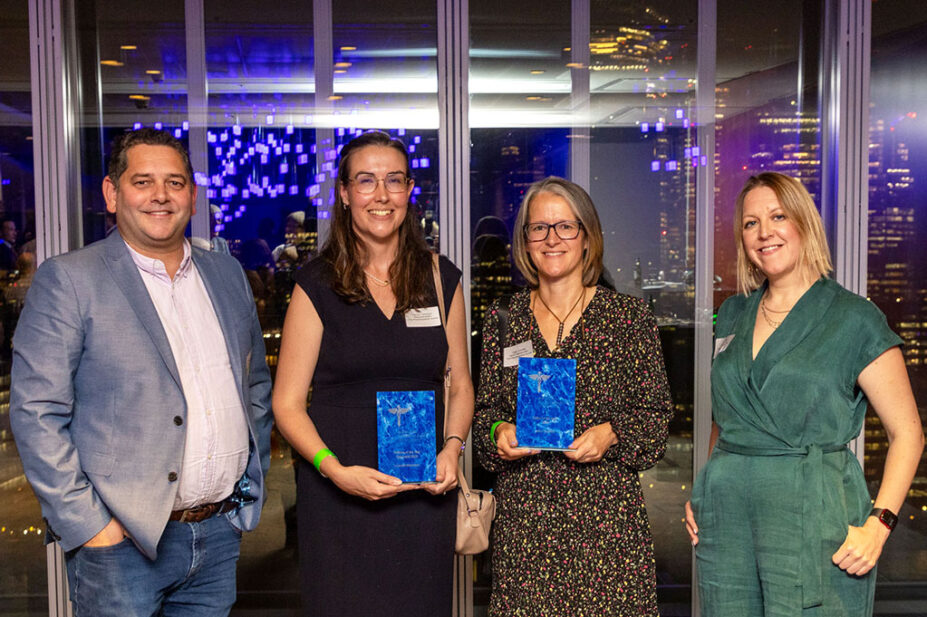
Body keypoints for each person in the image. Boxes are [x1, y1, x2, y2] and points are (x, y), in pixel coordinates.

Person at [10, 128, 274, 616]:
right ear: (112, 194)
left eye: (175, 182)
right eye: (143, 181)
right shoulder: (70, 279)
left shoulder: (226, 273)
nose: (160, 196)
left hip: (217, 535)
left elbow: (254, 384)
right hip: (121, 547)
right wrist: (90, 525)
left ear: (192, 196)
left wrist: (243, 495)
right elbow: (36, 412)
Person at [685, 172, 924, 616]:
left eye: (778, 216)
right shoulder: (733, 313)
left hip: (815, 514)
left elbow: (908, 433)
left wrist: (880, 525)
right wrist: (703, 489)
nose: (764, 233)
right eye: (750, 223)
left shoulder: (855, 318)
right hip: (726, 518)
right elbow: (728, 416)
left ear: (804, 224)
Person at [272, 130, 474, 617]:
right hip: (340, 498)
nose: (381, 195)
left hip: (422, 498)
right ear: (344, 193)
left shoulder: (440, 277)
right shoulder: (316, 283)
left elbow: (462, 384)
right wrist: (334, 470)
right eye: (366, 181)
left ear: (408, 191)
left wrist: (452, 447)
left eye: (394, 180)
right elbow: (286, 403)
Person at [473, 176, 673, 616]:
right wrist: (498, 431)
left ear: (587, 238)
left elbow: (656, 419)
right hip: (526, 531)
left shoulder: (628, 318)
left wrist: (611, 433)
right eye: (538, 227)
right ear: (525, 242)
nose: (551, 238)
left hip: (607, 531)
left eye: (566, 226)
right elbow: (483, 414)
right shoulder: (503, 319)